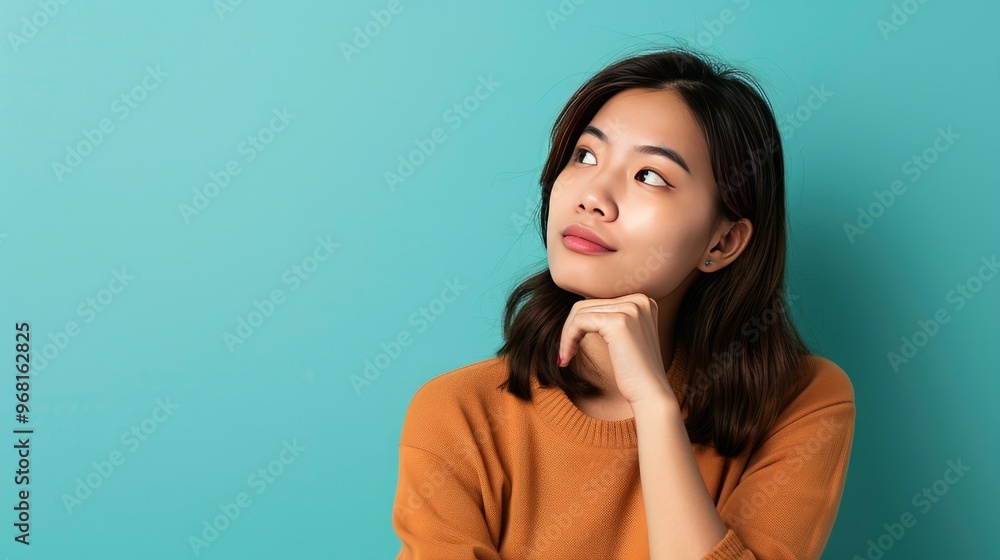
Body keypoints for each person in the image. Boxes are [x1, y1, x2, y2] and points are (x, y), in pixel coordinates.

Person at [391, 46, 855, 560]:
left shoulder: (802, 400)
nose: (593, 195)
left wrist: (655, 410)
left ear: (721, 243)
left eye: (650, 176)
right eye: (585, 156)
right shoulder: (457, 416)